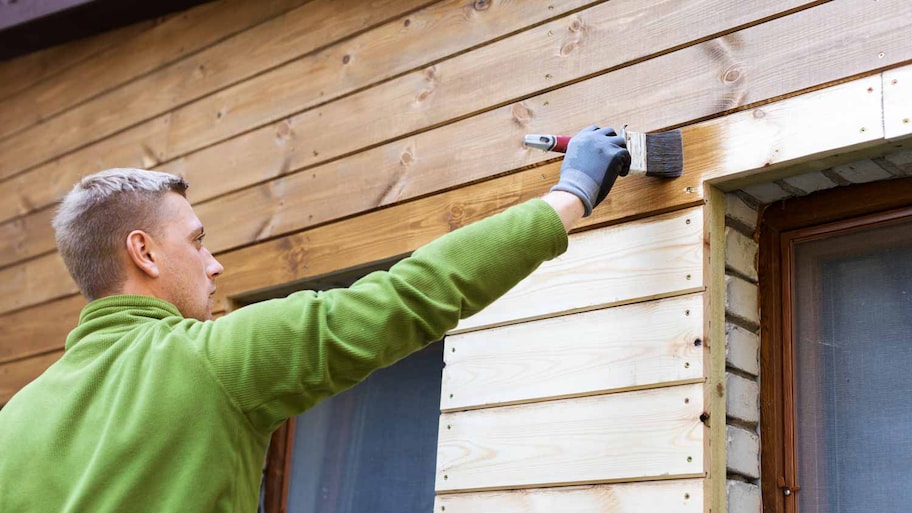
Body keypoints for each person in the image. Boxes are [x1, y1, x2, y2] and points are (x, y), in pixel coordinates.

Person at [0, 126, 630, 511]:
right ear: (143, 252)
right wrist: (571, 193)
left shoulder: (15, 421)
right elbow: (408, 297)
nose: (215, 265)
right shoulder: (212, 359)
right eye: (197, 242)